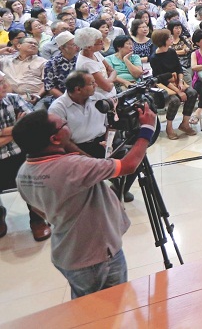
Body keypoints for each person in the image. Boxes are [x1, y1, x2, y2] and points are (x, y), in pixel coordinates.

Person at [14, 105, 157, 298]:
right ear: (54, 139)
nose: (67, 125)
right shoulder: (73, 167)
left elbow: (38, 210)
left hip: (66, 253)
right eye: (63, 124)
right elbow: (129, 165)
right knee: (113, 303)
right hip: (98, 255)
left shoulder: (23, 172)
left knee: (84, 303)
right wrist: (147, 129)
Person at [0, 72, 43, 241]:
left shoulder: (13, 99)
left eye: (4, 81)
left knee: (33, 185)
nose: (5, 85)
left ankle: (37, 219)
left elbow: (31, 124)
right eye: (0, 83)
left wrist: (6, 133)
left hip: (21, 153)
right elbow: (21, 128)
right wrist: (15, 128)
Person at [149, 29, 198, 140]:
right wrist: (178, 91)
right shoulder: (154, 58)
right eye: (169, 38)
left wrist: (180, 81)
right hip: (163, 85)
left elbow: (178, 68)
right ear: (163, 41)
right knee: (175, 100)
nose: (172, 39)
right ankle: (169, 126)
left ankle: (185, 123)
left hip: (176, 80)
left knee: (192, 93)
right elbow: (161, 79)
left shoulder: (171, 52)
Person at [74, 27, 116, 100]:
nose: (103, 43)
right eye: (100, 42)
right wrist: (112, 80)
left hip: (111, 96)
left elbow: (111, 69)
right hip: (100, 100)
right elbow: (108, 87)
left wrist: (109, 81)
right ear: (89, 47)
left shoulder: (95, 52)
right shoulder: (86, 64)